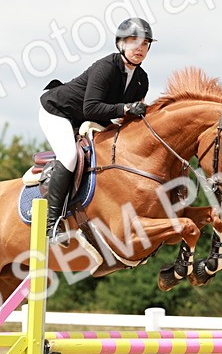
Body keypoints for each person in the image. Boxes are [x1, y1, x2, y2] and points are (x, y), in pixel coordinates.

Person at [37, 17, 155, 238]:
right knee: (70, 156)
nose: (140, 48)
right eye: (134, 42)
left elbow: (127, 118)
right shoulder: (105, 68)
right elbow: (91, 108)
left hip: (89, 118)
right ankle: (51, 225)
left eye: (145, 44)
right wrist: (127, 108)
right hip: (58, 111)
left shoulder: (142, 79)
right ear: (121, 44)